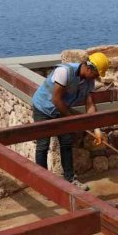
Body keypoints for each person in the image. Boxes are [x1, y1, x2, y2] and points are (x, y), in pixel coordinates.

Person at [31, 52, 110, 191]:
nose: (97, 78)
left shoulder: (89, 81)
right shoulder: (64, 72)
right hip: (43, 108)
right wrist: (71, 119)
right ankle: (41, 183)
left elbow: (90, 105)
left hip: (61, 110)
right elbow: (56, 99)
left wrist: (96, 130)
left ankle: (70, 179)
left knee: (66, 142)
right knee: (43, 145)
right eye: (97, 74)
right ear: (89, 68)